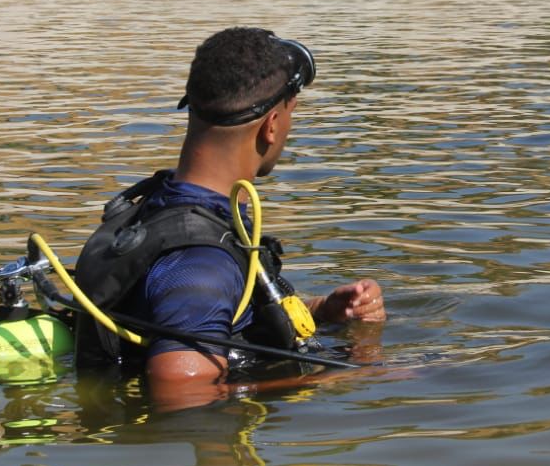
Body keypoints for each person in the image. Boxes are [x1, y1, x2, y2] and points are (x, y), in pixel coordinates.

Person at [73, 27, 385, 407]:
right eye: (292, 112)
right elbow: (181, 392)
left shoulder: (160, 204)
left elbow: (208, 318)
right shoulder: (201, 264)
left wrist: (320, 311)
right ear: (271, 126)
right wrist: (339, 377)